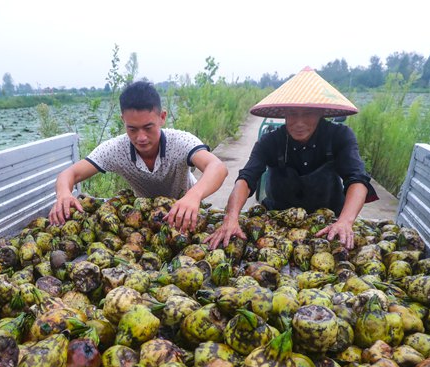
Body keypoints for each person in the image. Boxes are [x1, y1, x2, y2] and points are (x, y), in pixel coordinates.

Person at [207, 67, 378, 250]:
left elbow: (358, 179)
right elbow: (246, 179)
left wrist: (345, 221)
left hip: (329, 224)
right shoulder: (270, 141)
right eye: (293, 114)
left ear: (320, 113)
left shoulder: (339, 136)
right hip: (277, 223)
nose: (299, 123)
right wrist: (232, 217)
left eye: (308, 114)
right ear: (284, 113)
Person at [49, 81, 228, 233]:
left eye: (148, 127)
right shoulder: (116, 149)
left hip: (185, 214)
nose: (141, 137)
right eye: (132, 129)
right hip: (144, 218)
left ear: (162, 117)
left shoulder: (180, 141)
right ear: (123, 121)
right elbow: (69, 174)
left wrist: (193, 196)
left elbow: (217, 168)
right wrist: (64, 193)